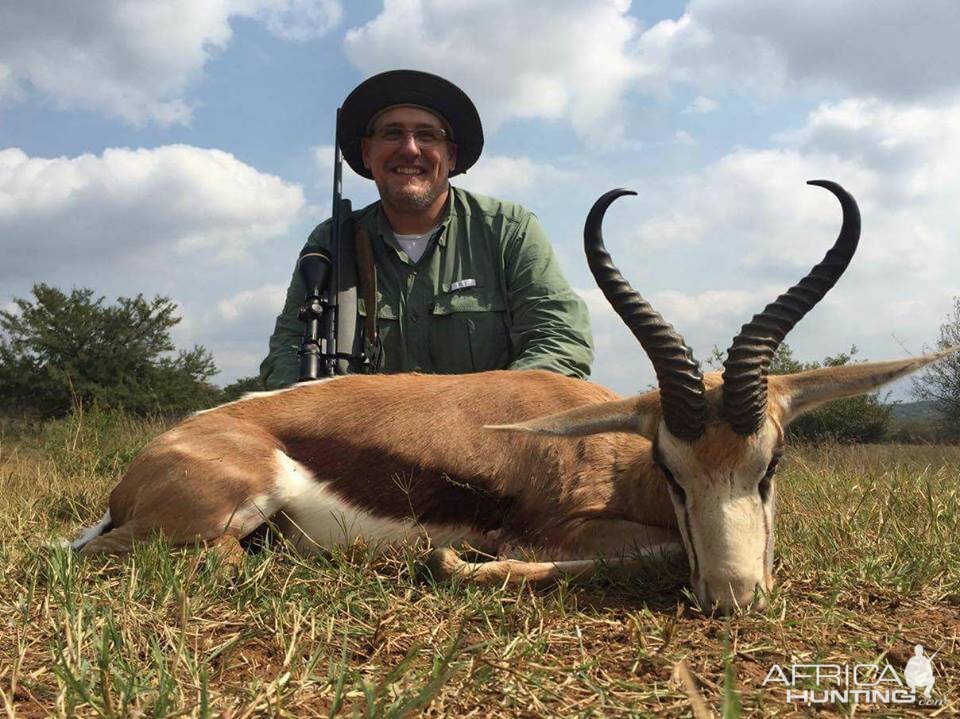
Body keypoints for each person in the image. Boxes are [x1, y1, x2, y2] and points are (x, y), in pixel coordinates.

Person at [259, 69, 593, 389]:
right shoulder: (331, 241)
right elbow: (288, 352)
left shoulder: (509, 229)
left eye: (427, 135)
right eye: (392, 133)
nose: (409, 149)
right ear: (366, 152)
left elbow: (562, 340)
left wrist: (476, 415)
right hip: (359, 437)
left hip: (490, 434)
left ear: (450, 155)